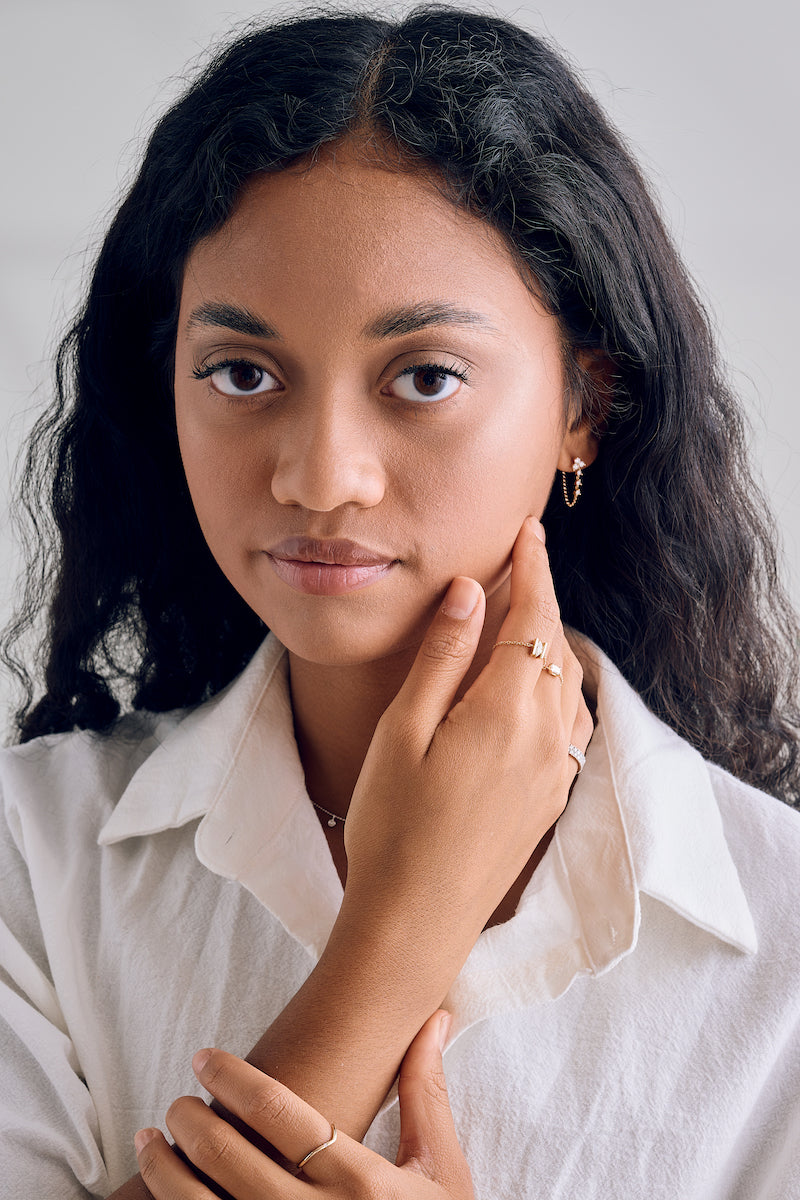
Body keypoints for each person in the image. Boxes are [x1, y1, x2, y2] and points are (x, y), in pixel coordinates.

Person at [2, 6, 799, 1198]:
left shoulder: (778, 946)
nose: (319, 476)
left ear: (586, 402)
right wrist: (405, 925)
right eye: (242, 373)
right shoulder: (32, 858)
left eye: (422, 377)